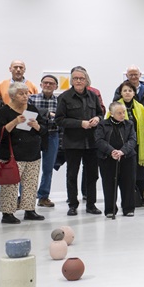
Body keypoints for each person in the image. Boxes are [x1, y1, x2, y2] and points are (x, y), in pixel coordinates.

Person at [0, 81, 45, 224]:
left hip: (32, 153)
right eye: (21, 94)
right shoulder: (4, 111)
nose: (25, 96)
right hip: (11, 154)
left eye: (26, 93)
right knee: (10, 184)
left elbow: (44, 129)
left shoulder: (32, 108)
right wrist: (14, 122)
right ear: (12, 96)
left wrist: (37, 126)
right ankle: (7, 213)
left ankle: (29, 210)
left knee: (31, 183)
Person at [55, 67, 104, 217]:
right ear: (71, 80)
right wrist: (79, 123)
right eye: (75, 78)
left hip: (91, 142)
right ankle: (72, 205)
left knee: (92, 175)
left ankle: (91, 204)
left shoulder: (93, 96)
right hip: (73, 143)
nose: (78, 81)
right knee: (72, 175)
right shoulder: (64, 97)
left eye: (81, 78)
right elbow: (59, 120)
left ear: (86, 80)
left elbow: (101, 113)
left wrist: (97, 118)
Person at [92, 102, 136, 218]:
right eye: (119, 113)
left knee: (128, 183)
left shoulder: (129, 124)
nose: (122, 115)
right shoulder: (102, 125)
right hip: (107, 158)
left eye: (123, 112)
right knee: (109, 184)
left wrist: (122, 151)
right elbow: (99, 140)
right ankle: (110, 209)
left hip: (127, 157)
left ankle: (128, 208)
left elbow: (132, 140)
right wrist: (112, 151)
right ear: (111, 114)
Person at [29, 75, 61, 208]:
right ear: (41, 85)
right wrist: (48, 114)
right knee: (29, 169)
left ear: (56, 86)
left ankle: (43, 197)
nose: (48, 85)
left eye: (51, 83)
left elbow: (60, 120)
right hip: (33, 136)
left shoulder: (60, 101)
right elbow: (28, 116)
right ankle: (25, 197)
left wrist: (41, 115)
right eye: (45, 83)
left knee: (48, 169)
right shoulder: (32, 98)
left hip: (52, 135)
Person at [116, 81, 144, 208]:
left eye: (130, 90)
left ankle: (140, 198)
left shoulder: (140, 107)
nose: (127, 93)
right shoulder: (115, 106)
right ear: (121, 92)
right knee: (126, 174)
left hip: (138, 145)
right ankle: (127, 200)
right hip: (122, 146)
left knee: (140, 173)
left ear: (134, 92)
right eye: (124, 90)